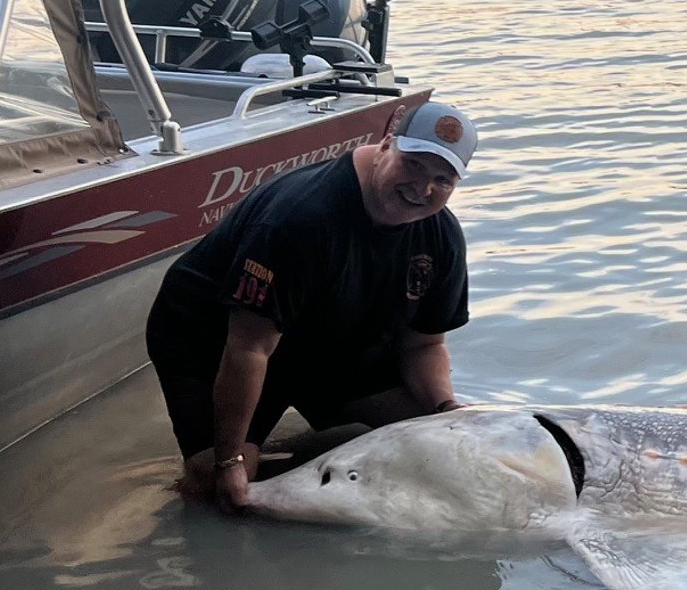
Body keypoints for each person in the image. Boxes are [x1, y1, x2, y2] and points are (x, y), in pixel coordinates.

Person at [149, 99, 477, 510]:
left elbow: (424, 344)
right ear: (385, 145)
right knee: (220, 483)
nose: (422, 189)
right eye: (413, 165)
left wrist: (446, 410)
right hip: (212, 335)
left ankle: (311, 439)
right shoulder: (301, 216)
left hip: (329, 340)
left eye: (442, 179)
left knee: (432, 442)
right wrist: (228, 459)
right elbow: (249, 348)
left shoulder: (442, 237)